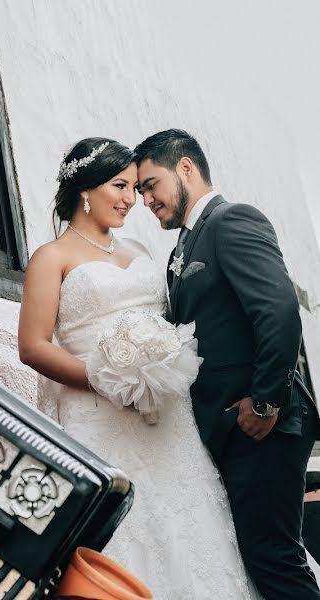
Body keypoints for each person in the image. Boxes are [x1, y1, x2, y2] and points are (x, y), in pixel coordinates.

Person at [18, 137, 256, 597]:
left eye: (136, 187)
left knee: (192, 529)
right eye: (120, 185)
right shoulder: (52, 258)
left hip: (168, 419)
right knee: (127, 535)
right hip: (99, 418)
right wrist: (107, 380)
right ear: (86, 190)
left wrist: (162, 362)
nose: (132, 199)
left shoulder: (143, 252)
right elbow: (32, 346)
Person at [135, 129, 320, 599]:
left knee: (273, 557)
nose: (145, 200)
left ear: (185, 168)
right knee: (260, 556)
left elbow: (278, 312)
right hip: (228, 430)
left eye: (150, 184)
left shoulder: (232, 220)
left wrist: (264, 403)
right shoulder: (182, 247)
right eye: (138, 191)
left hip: (262, 426)